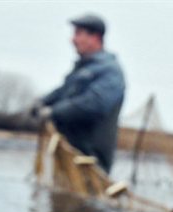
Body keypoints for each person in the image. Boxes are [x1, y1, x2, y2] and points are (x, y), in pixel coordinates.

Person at [35, 13, 125, 174]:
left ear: (95, 37)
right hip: (70, 156)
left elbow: (94, 104)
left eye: (78, 34)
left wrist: (52, 112)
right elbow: (63, 92)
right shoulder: (82, 70)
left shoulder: (110, 72)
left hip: (91, 161)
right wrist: (42, 102)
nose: (73, 40)